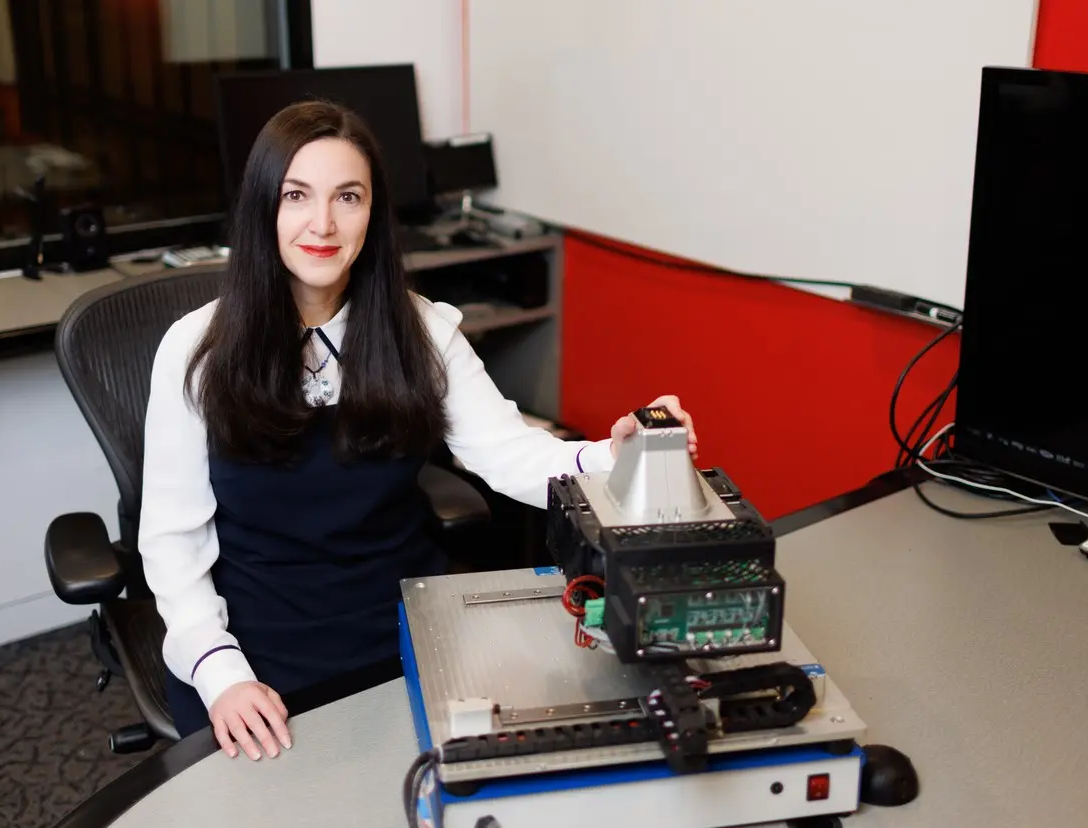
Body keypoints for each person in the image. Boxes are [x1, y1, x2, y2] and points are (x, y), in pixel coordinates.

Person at [137, 100, 698, 762]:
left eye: (347, 196)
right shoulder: (195, 347)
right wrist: (220, 674)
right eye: (296, 196)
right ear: (263, 207)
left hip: (401, 626)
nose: (322, 223)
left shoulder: (422, 330)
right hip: (253, 641)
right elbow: (172, 542)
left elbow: (511, 455)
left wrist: (616, 455)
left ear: (374, 214)